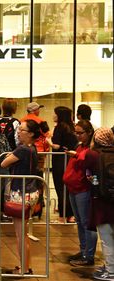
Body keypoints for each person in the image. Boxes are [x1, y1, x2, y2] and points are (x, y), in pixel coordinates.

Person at [1, 119, 42, 275]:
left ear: (31, 134)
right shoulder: (32, 148)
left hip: (21, 193)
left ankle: (24, 268)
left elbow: (4, 163)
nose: (18, 132)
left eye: (22, 130)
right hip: (30, 191)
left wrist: (12, 153)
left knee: (20, 235)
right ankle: (25, 265)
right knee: (23, 233)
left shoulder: (22, 149)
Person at [63, 120, 97, 267]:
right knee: (80, 222)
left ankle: (88, 255)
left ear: (89, 132)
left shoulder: (92, 149)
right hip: (74, 188)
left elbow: (89, 160)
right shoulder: (80, 146)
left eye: (80, 133)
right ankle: (84, 251)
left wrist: (76, 156)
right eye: (75, 133)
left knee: (86, 223)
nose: (77, 136)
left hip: (83, 189)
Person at [89, 128, 114, 281]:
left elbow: (93, 179)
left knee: (107, 238)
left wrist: (94, 188)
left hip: (103, 201)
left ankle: (111, 270)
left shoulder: (97, 156)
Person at [48, 106, 77, 223]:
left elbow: (57, 145)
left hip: (59, 160)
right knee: (68, 188)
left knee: (60, 187)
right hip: (69, 161)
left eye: (55, 113)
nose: (53, 116)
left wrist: (48, 140)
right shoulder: (71, 127)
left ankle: (62, 216)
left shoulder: (60, 127)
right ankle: (70, 215)